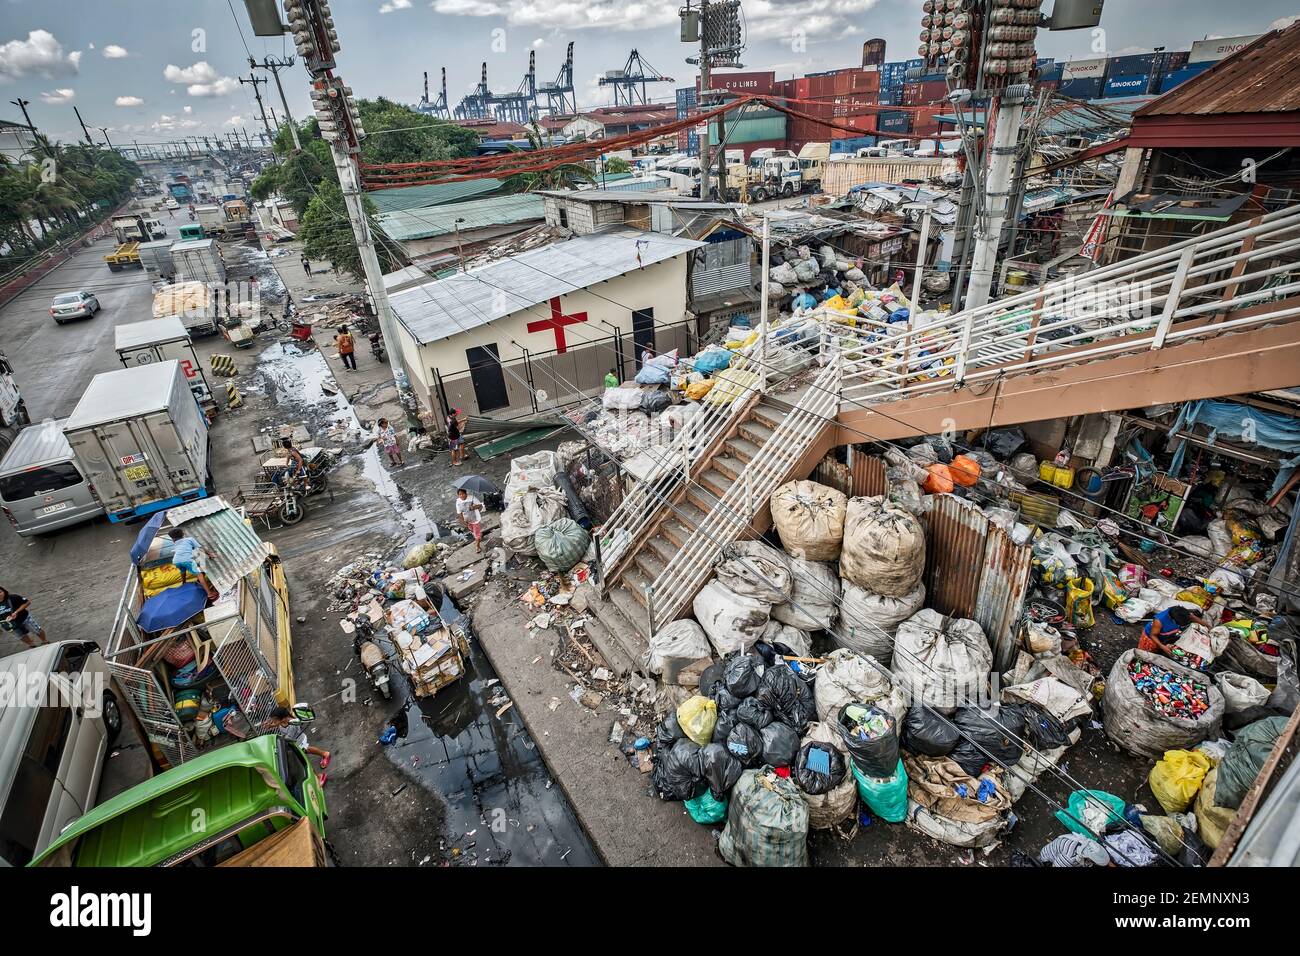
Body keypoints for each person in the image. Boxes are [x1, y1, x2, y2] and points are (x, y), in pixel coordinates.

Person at [265, 706, 331, 785]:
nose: (273, 722)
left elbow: (288, 738)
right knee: (307, 751)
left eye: (275, 720)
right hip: (295, 742)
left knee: (304, 761)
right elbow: (279, 725)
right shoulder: (283, 722)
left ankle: (319, 777)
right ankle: (325, 754)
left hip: (299, 741)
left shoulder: (291, 725)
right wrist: (271, 726)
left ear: (282, 718)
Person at [168, 529, 219, 602]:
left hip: (176, 561)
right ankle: (209, 593)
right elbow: (201, 549)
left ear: (172, 538)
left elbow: (184, 548)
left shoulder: (175, 543)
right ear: (183, 533)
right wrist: (209, 554)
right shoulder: (189, 539)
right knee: (199, 574)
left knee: (183, 571)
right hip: (187, 560)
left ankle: (184, 583)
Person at [1139, 604, 1207, 657]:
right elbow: (1153, 635)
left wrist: (1207, 626)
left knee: (1163, 647)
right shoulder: (1159, 621)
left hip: (1165, 635)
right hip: (1151, 637)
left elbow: (1192, 617)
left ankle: (1159, 649)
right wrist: (1162, 646)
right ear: (1173, 620)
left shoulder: (1181, 612)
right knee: (1147, 653)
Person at [1038, 832, 1112, 868]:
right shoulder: (1069, 859)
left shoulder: (1086, 843)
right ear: (1089, 859)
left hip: (1060, 849)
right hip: (1047, 859)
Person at [456, 488, 485, 553]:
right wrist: (463, 521)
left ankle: (477, 546)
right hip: (467, 520)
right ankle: (479, 536)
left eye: (463, 494)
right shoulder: (458, 501)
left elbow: (480, 505)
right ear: (458, 495)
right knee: (472, 530)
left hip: (475, 519)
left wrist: (473, 507)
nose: (462, 496)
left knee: (476, 533)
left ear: (466, 493)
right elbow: (459, 512)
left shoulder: (472, 498)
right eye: (460, 494)